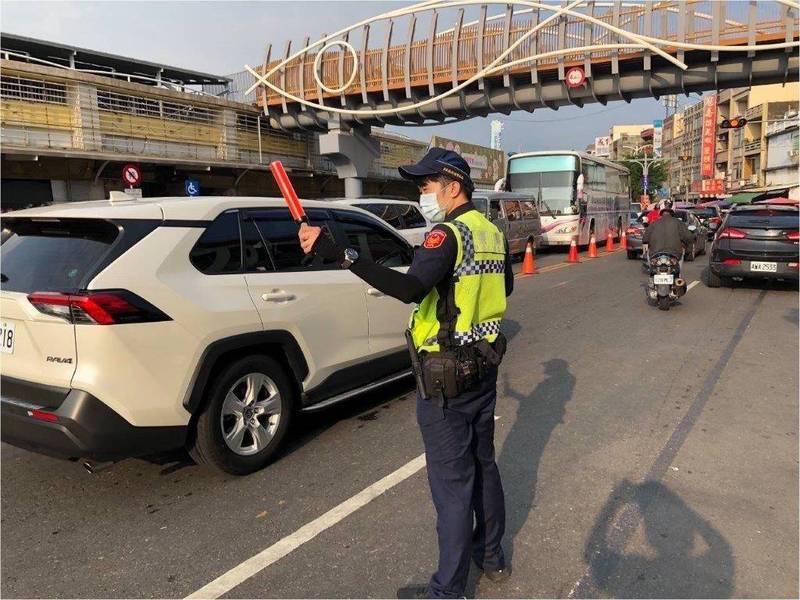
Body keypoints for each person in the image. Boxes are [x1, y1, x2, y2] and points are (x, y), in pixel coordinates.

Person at [298, 147, 514, 599]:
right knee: (483, 465)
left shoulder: (447, 235)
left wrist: (340, 253)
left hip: (446, 378)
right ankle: (492, 557)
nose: (423, 193)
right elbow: (504, 287)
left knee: (453, 485)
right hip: (483, 367)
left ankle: (447, 591)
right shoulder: (491, 231)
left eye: (426, 185)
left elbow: (408, 288)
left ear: (453, 186)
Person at [641, 203, 694, 269]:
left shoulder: (653, 224)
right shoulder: (679, 223)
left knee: (652, 270)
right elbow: (689, 238)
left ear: (661, 212)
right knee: (678, 272)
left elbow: (645, 239)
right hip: (675, 255)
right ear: (673, 211)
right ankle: (678, 278)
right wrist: (688, 251)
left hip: (655, 255)